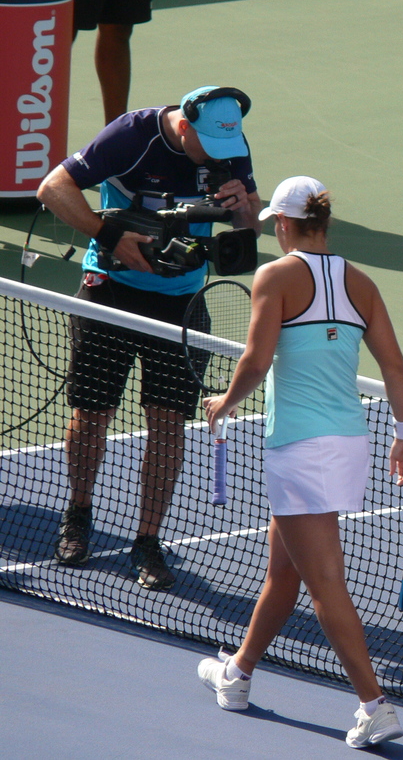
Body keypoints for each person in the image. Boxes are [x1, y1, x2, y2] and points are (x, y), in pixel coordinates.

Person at [196, 176, 403, 749]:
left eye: (274, 223)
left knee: (324, 584)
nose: (272, 229)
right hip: (348, 443)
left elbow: (255, 358)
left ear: (286, 224)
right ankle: (238, 674)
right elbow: (395, 367)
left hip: (300, 447)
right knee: (283, 571)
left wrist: (224, 403)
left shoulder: (275, 276)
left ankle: (375, 705)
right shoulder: (361, 282)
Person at [37, 85, 260, 590]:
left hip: (181, 304)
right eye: (208, 145)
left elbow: (250, 226)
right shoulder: (131, 135)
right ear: (185, 126)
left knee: (167, 426)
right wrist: (109, 234)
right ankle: (78, 512)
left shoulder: (230, 145)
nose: (219, 157)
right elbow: (52, 188)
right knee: (91, 414)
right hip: (110, 292)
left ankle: (147, 540)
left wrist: (243, 208)